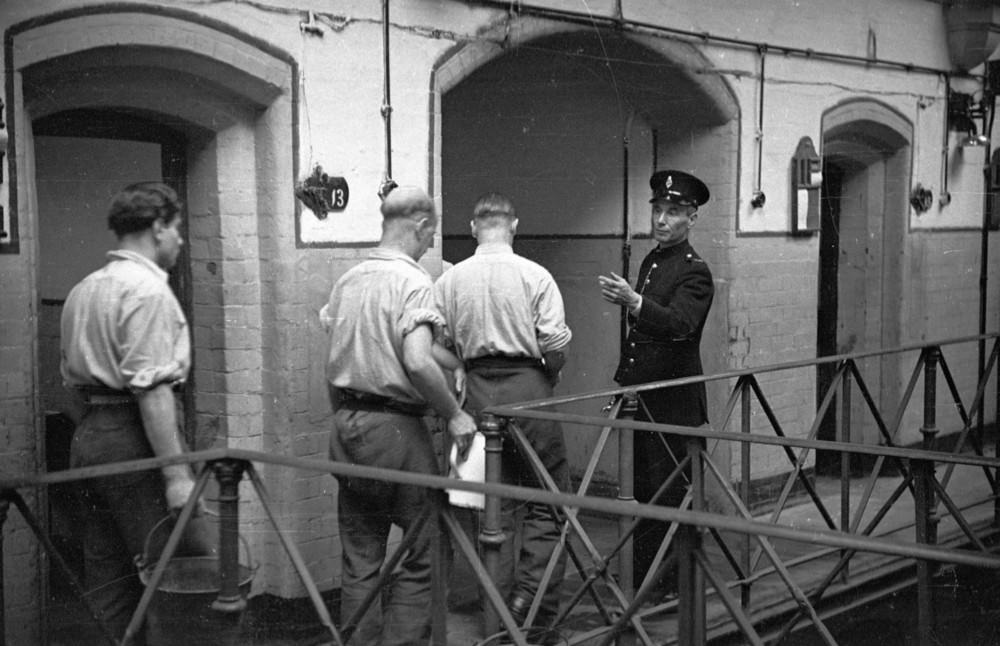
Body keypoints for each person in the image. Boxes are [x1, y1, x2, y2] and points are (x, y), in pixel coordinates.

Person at [320, 185, 477, 646]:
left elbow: (337, 358)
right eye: (430, 235)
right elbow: (415, 359)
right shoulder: (412, 282)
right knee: (425, 547)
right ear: (422, 225)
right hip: (396, 431)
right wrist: (454, 415)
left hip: (346, 426)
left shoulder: (348, 280)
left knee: (361, 554)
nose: (430, 244)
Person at [60, 181, 212, 643]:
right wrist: (177, 477)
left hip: (88, 437)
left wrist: (96, 430)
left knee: (109, 580)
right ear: (158, 226)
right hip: (139, 440)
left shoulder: (84, 290)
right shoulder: (147, 292)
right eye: (178, 229)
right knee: (177, 575)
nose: (181, 241)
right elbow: (153, 392)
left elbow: (68, 387)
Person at [435, 192, 572, 633]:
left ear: (474, 227)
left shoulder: (450, 282)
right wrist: (547, 376)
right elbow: (555, 345)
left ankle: (494, 615)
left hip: (475, 391)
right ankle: (530, 606)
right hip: (528, 387)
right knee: (548, 498)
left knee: (487, 504)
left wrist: (458, 367)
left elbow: (432, 343)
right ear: (514, 226)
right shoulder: (536, 275)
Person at [598, 169, 714, 598]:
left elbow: (682, 325)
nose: (661, 220)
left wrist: (635, 302)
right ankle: (644, 578)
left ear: (692, 218)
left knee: (667, 494)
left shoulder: (694, 271)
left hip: (671, 401)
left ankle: (670, 587)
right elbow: (645, 327)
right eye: (658, 210)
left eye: (673, 212)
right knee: (643, 490)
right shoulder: (652, 260)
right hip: (643, 396)